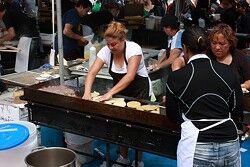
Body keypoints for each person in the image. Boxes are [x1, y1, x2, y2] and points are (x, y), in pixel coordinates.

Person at [165, 26, 243, 167]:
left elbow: (172, 114)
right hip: (229, 141)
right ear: (207, 45)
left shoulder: (177, 77)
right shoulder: (229, 73)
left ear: (184, 48)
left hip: (197, 144)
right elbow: (237, 109)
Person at [83, 21, 152, 167]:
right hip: (120, 90)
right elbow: (92, 72)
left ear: (122, 40)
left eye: (114, 44)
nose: (110, 47)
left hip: (139, 90)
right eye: (108, 44)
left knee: (137, 126)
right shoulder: (106, 51)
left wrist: (109, 93)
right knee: (120, 124)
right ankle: (123, 157)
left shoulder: (134, 49)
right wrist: (87, 93)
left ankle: (138, 161)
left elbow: (130, 76)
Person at [0, 0, 41, 70]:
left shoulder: (6, 16)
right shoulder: (12, 11)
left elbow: (11, 34)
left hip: (27, 39)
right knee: (28, 66)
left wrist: (1, 40)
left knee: (23, 68)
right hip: (34, 36)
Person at [208, 23, 250, 90]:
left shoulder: (239, 56)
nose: (217, 47)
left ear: (230, 43)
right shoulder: (206, 56)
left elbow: (249, 80)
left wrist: (239, 87)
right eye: (214, 43)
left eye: (222, 44)